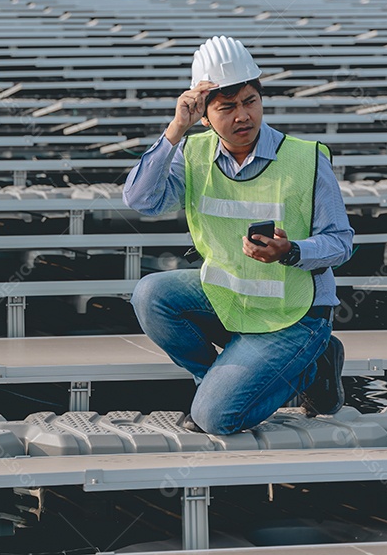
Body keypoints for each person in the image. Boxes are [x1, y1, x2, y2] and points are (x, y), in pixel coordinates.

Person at [123, 36, 354, 435]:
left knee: (216, 419)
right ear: (205, 115)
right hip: (230, 298)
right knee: (150, 294)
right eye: (227, 107)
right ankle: (217, 381)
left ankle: (308, 371)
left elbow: (341, 242)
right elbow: (141, 199)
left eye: (250, 101)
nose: (243, 115)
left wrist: (291, 250)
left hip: (295, 315)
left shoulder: (306, 158)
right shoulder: (194, 153)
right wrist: (176, 128)